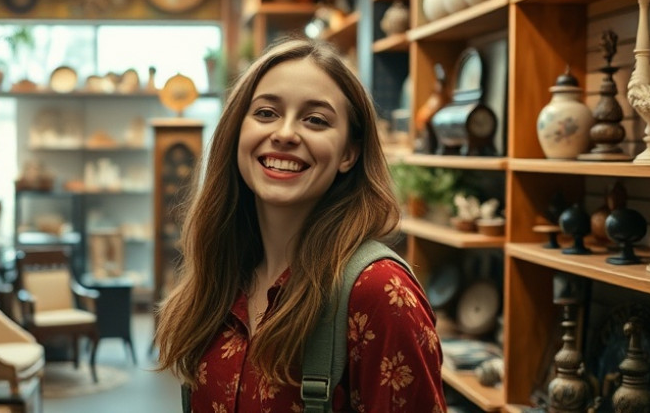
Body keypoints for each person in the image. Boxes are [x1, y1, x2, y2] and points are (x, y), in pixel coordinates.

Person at [155, 36, 446, 411]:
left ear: (348, 153)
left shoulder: (378, 293)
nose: (285, 133)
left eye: (315, 120)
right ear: (236, 132)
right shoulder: (222, 277)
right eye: (265, 113)